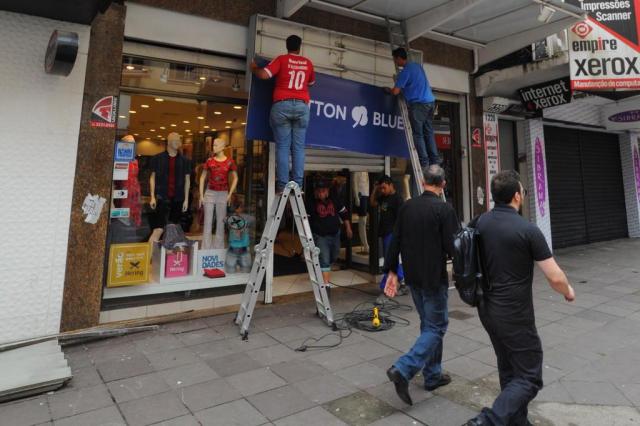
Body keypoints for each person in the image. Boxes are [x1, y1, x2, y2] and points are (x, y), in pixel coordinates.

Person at [463, 170, 575, 426]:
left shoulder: (478, 223)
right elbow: (555, 277)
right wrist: (568, 291)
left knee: (509, 368)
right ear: (516, 196)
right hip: (515, 314)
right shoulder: (527, 230)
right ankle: (488, 421)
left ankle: (517, 422)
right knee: (529, 376)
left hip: (486, 310)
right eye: (523, 191)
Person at [383, 165, 459, 406]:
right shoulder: (444, 209)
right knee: (437, 327)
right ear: (443, 184)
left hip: (413, 277)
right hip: (434, 278)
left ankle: (433, 375)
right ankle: (403, 369)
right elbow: (453, 247)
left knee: (428, 325)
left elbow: (395, 240)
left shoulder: (407, 207)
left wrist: (392, 271)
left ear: (423, 181)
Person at [250, 35, 316, 192]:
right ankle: (298, 185)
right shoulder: (308, 63)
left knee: (283, 147)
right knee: (298, 148)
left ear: (287, 46)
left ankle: (282, 185)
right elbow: (311, 83)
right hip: (301, 106)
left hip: (282, 105)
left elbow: (263, 75)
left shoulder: (281, 59)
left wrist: (253, 67)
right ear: (299, 47)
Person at [386, 47, 439, 168]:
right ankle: (435, 160)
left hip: (419, 105)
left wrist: (389, 90)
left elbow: (395, 92)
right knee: (429, 132)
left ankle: (424, 163)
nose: (395, 62)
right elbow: (414, 84)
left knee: (418, 134)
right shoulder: (417, 66)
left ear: (399, 58)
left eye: (395, 59)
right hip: (430, 102)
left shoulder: (404, 72)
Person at [307, 179, 353, 284]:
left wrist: (348, 227)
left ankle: (321, 268)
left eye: (323, 191)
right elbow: (307, 222)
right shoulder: (311, 202)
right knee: (325, 260)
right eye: (318, 191)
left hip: (335, 234)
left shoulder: (334, 199)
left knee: (334, 256)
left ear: (327, 191)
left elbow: (344, 213)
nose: (320, 193)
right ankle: (325, 286)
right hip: (320, 236)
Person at [369, 176, 407, 295]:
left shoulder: (397, 199)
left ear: (391, 185)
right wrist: (375, 189)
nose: (383, 190)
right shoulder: (383, 197)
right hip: (385, 232)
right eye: (381, 188)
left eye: (384, 187)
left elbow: (401, 218)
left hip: (393, 233)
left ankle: (391, 283)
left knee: (390, 259)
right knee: (390, 258)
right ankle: (400, 280)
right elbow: (372, 202)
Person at [225, 195, 254, 274]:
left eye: (240, 207)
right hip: (235, 248)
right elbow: (224, 220)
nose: (238, 209)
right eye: (237, 207)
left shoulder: (246, 218)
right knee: (232, 269)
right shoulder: (231, 218)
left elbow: (252, 219)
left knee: (245, 270)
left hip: (242, 248)